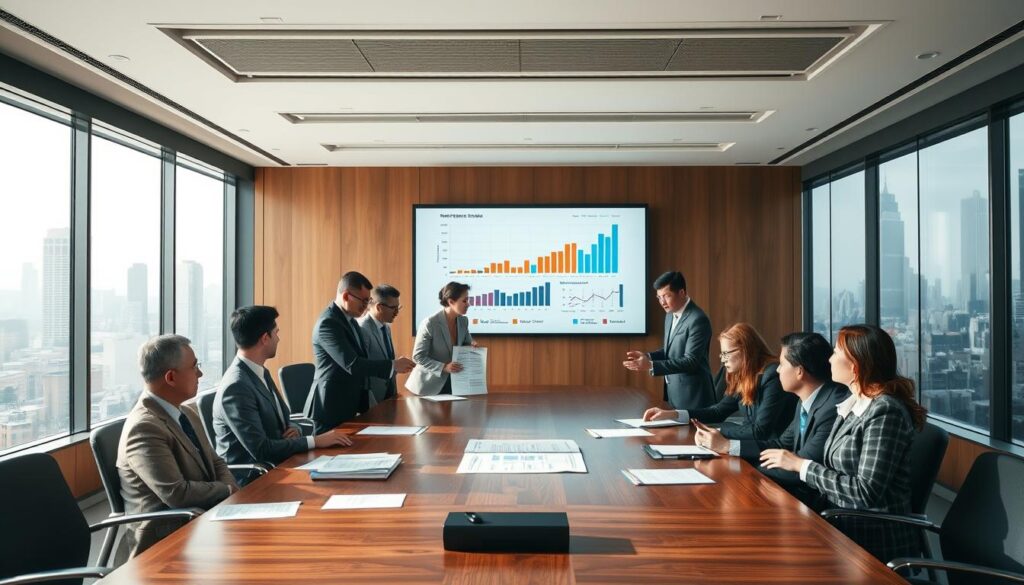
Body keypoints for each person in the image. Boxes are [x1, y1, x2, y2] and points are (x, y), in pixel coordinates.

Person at [760, 324, 927, 562]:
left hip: (868, 539)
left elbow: (865, 492)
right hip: (839, 522)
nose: (829, 359)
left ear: (855, 366)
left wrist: (802, 466)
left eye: (836, 352)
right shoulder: (853, 404)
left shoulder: (885, 411)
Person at [689, 331, 849, 509]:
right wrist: (728, 447)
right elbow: (781, 444)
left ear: (799, 372)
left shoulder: (832, 407)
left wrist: (747, 470)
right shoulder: (806, 400)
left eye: (782, 364)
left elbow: (801, 469)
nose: (778, 369)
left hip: (815, 506)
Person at [116, 334, 236, 559]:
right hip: (165, 542)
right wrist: (228, 491)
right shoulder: (144, 427)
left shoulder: (186, 412)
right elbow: (176, 493)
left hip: (202, 520)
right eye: (194, 367)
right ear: (170, 377)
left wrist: (231, 493)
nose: (200, 374)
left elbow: (215, 461)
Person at [213, 305, 351, 472]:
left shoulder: (258, 371)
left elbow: (283, 419)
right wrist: (315, 440)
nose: (278, 339)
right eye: (276, 333)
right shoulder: (236, 387)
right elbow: (261, 450)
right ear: (265, 338)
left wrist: (296, 429)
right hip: (255, 477)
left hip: (282, 462)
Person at [644, 323, 796, 444]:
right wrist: (675, 414)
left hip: (773, 454)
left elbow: (761, 431)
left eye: (726, 354)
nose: (723, 360)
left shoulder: (773, 377)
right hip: (754, 448)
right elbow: (719, 411)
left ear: (745, 350)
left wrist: (713, 431)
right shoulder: (743, 375)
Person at [305, 272, 415, 432]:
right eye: (363, 301)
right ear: (346, 296)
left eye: (368, 300)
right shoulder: (328, 323)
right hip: (332, 407)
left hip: (351, 405)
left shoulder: (351, 320)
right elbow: (353, 364)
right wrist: (393, 365)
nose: (366, 305)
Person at [624, 271, 714, 410]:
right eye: (659, 297)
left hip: (694, 398)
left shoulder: (697, 319)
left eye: (667, 296)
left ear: (682, 293)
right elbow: (671, 351)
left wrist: (651, 365)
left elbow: (691, 361)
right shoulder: (670, 315)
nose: (662, 302)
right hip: (673, 395)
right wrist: (648, 356)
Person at [406, 281, 475, 396]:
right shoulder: (430, 323)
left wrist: (472, 345)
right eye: (464, 300)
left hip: (453, 383)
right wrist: (443, 367)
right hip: (427, 385)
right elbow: (418, 356)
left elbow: (466, 343)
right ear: (451, 302)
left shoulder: (463, 321)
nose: (468, 304)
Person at [359, 285, 403, 407]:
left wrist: (396, 365)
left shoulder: (386, 327)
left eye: (398, 307)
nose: (397, 312)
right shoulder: (362, 328)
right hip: (372, 399)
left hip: (389, 395)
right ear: (379, 307)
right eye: (394, 308)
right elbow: (362, 369)